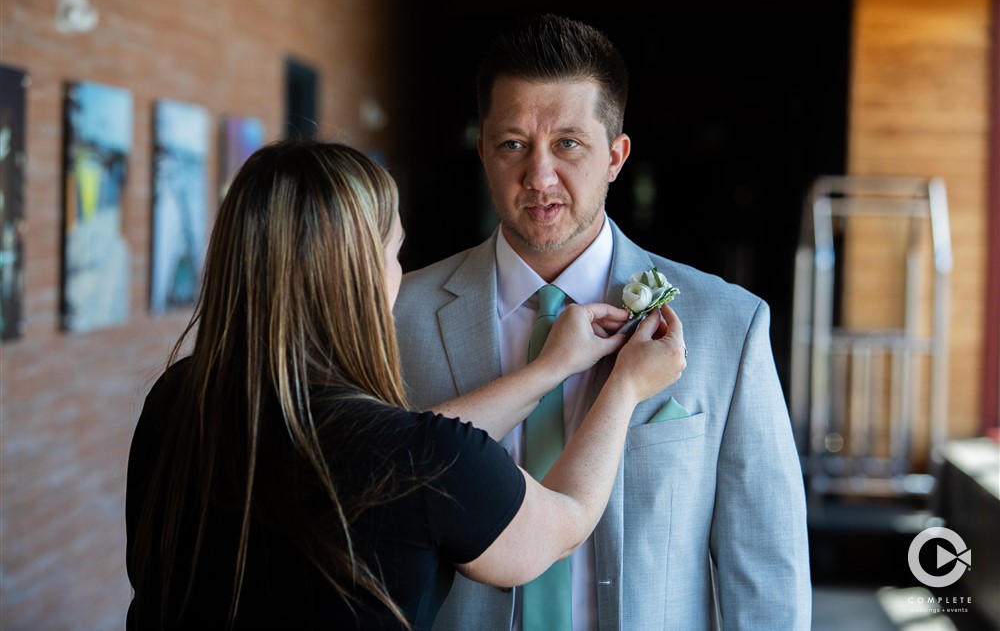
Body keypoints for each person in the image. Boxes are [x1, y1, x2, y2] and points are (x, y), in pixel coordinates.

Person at [124, 139, 687, 630]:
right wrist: (625, 388)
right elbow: (561, 523)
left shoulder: (177, 398)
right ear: (355, 276)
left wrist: (549, 368)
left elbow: (407, 454)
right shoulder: (415, 459)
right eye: (394, 254)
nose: (402, 273)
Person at [393, 15, 810, 630]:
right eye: (513, 144)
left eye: (568, 143)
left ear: (616, 156)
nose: (539, 176)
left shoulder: (730, 324)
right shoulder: (400, 317)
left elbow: (767, 570)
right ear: (481, 150)